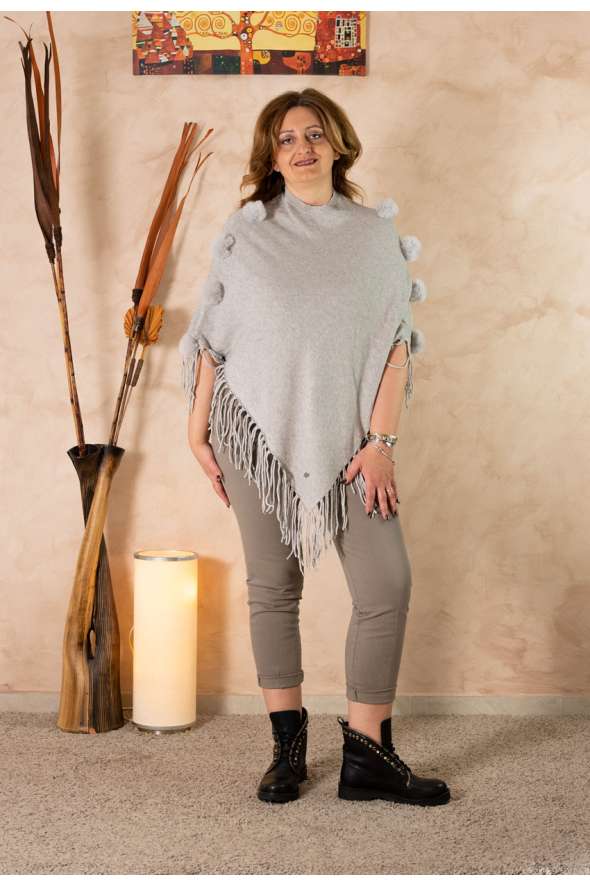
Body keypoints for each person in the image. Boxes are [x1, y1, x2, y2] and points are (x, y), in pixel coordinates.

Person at [179, 88, 450, 807]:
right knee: (273, 586)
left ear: (338, 143)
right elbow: (213, 340)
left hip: (355, 443)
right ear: (271, 157)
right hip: (253, 435)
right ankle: (286, 750)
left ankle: (368, 754)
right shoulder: (248, 235)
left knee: (386, 584)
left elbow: (395, 348)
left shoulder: (372, 236)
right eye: (286, 139)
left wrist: (381, 443)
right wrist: (197, 428)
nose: (301, 148)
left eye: (314, 134)